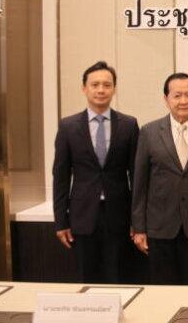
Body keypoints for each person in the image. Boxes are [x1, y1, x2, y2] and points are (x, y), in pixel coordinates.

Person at [52, 61, 139, 283]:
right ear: (84, 88)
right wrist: (61, 221)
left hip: (119, 216)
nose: (101, 90)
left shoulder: (129, 125)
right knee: (86, 278)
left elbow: (136, 176)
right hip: (82, 217)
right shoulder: (68, 126)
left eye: (107, 85)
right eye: (95, 84)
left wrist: (137, 220)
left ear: (114, 89)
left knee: (118, 278)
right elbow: (61, 177)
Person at [131, 73, 188, 284]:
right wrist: (139, 228)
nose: (183, 101)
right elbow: (139, 184)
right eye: (177, 95)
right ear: (166, 98)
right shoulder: (149, 132)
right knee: (163, 289)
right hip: (160, 228)